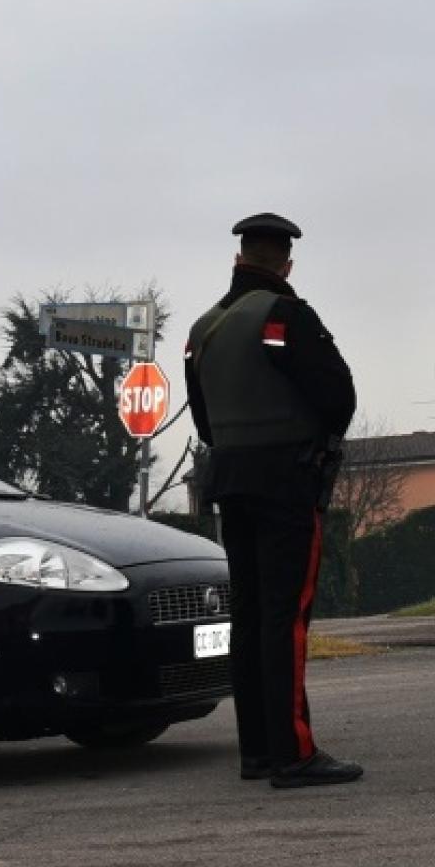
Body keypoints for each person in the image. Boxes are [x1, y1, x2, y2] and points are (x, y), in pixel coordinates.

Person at [184, 213, 362, 789]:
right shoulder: (285, 315)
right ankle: (294, 752)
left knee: (251, 615)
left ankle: (257, 750)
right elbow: (338, 396)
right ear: (285, 264)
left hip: (231, 479)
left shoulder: (203, 328)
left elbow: (204, 418)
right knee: (286, 618)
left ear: (238, 260)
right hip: (287, 479)